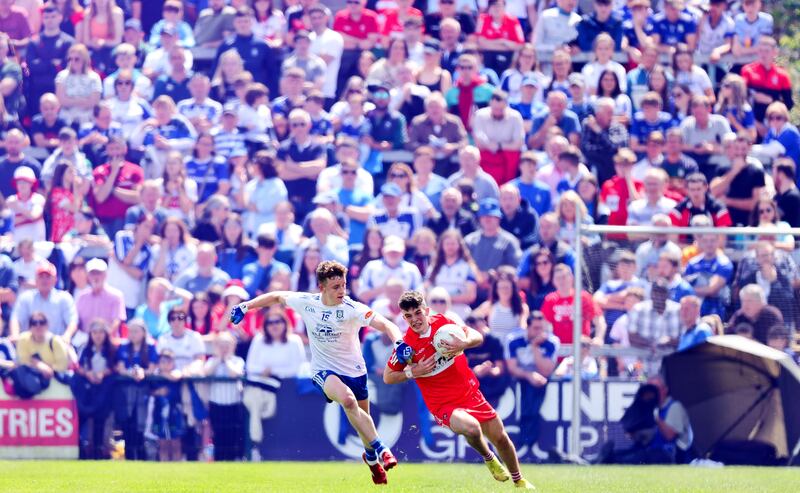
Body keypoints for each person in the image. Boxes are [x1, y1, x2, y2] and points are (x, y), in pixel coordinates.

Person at [231, 260, 411, 485]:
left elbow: (385, 324)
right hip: (323, 370)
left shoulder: (351, 308)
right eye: (336, 287)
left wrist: (399, 342)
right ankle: (381, 449)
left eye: (344, 285)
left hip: (355, 371)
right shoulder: (307, 303)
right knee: (347, 400)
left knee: (364, 423)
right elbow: (276, 296)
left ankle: (371, 458)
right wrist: (245, 306)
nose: (342, 291)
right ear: (322, 287)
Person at [385, 290, 536, 489]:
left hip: (470, 394)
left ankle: (519, 481)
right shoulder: (406, 347)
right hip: (443, 404)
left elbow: (476, 336)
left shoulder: (444, 323)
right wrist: (414, 372)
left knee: (501, 438)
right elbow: (388, 376)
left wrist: (463, 343)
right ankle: (489, 458)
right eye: (408, 316)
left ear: (427, 311)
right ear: (404, 318)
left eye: (418, 313)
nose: (414, 319)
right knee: (472, 429)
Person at [244, 306, 307, 461]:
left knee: (270, 415)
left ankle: (263, 448)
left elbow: (297, 367)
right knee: (256, 406)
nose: (274, 325)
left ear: (285, 323)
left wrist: (272, 371)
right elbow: (250, 366)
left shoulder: (294, 341)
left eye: (278, 321)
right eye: (270, 323)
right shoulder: (259, 340)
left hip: (287, 390)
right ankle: (255, 447)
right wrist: (264, 371)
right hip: (261, 386)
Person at [114, 318, 158, 461]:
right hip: (126, 393)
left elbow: (152, 368)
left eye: (136, 331)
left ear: (143, 332)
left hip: (144, 392)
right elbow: (120, 368)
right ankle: (129, 456)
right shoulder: (124, 347)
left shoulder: (150, 347)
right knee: (127, 424)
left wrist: (142, 373)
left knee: (141, 424)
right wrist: (130, 373)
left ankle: (142, 456)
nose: (133, 334)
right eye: (131, 331)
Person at [73, 318, 116, 460]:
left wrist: (103, 373)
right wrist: (88, 373)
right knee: (82, 418)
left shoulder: (111, 350)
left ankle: (99, 449)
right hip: (87, 390)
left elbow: (115, 367)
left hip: (104, 390)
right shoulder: (84, 349)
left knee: (101, 419)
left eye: (101, 332)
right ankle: (81, 449)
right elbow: (77, 367)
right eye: (94, 332)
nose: (98, 336)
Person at [204, 332, 245, 462]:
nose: (224, 348)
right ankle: (218, 460)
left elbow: (235, 374)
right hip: (216, 403)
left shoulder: (237, 361)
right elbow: (207, 372)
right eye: (221, 345)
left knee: (233, 434)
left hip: (233, 403)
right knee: (218, 434)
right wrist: (219, 359)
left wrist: (226, 360)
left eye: (227, 345)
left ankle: (233, 459)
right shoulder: (211, 361)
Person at [9, 261, 77, 340]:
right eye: (41, 276)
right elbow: (16, 318)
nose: (44, 280)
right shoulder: (26, 298)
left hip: (56, 346)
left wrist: (67, 336)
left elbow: (72, 321)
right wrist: (15, 335)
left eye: (48, 276)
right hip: (30, 346)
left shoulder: (64, 298)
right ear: (36, 279)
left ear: (55, 279)